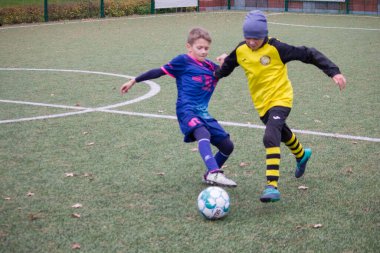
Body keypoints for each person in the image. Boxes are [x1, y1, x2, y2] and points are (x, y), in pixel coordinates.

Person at [214, 10, 346, 202]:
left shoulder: (277, 48)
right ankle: (301, 155)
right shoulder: (241, 50)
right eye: (248, 37)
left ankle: (271, 186)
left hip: (281, 99)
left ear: (264, 34)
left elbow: (308, 53)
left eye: (256, 38)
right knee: (281, 132)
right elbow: (226, 69)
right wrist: (216, 72)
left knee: (270, 136)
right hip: (261, 104)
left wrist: (334, 72)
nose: (251, 42)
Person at [120, 27, 237, 187]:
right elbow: (158, 71)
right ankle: (215, 173)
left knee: (227, 146)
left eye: (206, 48)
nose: (203, 51)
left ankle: (209, 174)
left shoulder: (210, 66)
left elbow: (223, 71)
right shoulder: (182, 61)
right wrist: (134, 80)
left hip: (203, 113)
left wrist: (228, 61)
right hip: (186, 110)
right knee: (202, 132)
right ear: (189, 47)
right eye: (199, 47)